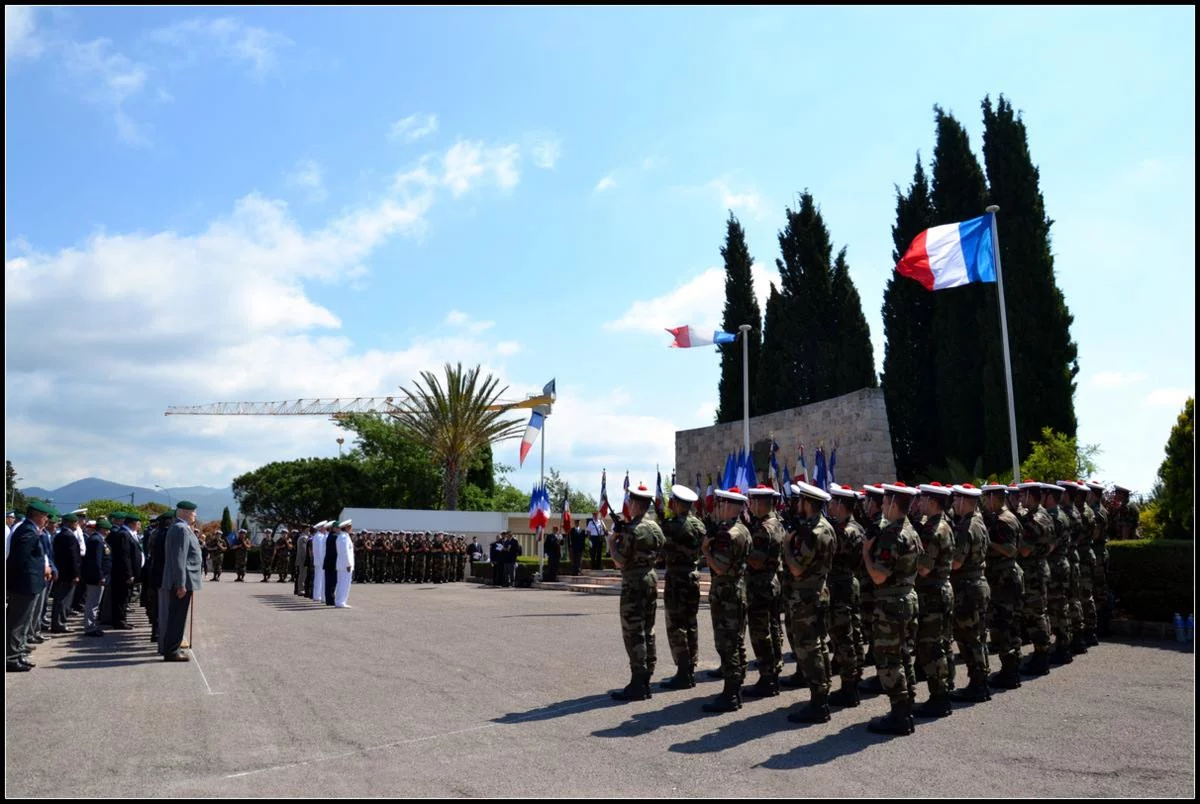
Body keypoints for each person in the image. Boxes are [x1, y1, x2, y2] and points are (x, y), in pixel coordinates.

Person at [863, 482, 923, 736]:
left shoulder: (893, 535)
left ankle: (899, 715)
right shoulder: (912, 531)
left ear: (893, 504)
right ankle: (905, 707)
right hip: (907, 598)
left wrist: (866, 553)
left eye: (886, 502)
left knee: (889, 659)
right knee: (904, 654)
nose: (883, 506)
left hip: (892, 603)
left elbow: (878, 576)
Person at [781, 481, 836, 724]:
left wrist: (786, 547)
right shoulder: (824, 527)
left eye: (800, 501)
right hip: (817, 592)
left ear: (807, 503)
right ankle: (822, 694)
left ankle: (819, 702)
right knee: (818, 646)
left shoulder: (815, 532)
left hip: (807, 596)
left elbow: (795, 568)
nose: (797, 505)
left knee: (809, 648)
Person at [609, 483, 665, 702]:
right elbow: (660, 554)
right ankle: (646, 678)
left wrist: (612, 542)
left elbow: (620, 561)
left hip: (633, 581)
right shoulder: (656, 528)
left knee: (634, 631)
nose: (628, 506)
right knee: (648, 628)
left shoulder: (632, 530)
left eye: (630, 502)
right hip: (650, 578)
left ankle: (637, 682)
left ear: (634, 504)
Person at [700, 486, 751, 713]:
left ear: (731, 506)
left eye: (721, 504)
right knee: (735, 642)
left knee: (727, 644)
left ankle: (731, 693)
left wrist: (706, 551)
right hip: (734, 592)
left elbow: (720, 568)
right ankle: (735, 687)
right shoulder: (742, 530)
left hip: (727, 594)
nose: (718, 508)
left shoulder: (730, 535)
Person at [912, 482, 956, 719]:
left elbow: (924, 568)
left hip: (932, 593)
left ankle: (939, 697)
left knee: (932, 646)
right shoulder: (944, 525)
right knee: (942, 642)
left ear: (931, 501)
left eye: (922, 499)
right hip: (941, 590)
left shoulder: (932, 530)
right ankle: (945, 690)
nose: (918, 503)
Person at [658, 484, 706, 691]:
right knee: (691, 623)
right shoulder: (699, 525)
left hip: (677, 578)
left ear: (676, 504)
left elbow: (661, 550)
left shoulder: (672, 526)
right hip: (693, 576)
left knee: (676, 625)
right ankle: (691, 667)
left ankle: (683, 671)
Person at [948, 483, 992, 703]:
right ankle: (981, 680)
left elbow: (956, 562)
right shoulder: (979, 522)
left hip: (967, 587)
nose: (954, 503)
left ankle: (978, 683)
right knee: (978, 635)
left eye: (956, 499)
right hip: (977, 583)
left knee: (969, 638)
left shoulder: (967, 526)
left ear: (965, 501)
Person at [743, 484, 786, 700]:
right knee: (773, 627)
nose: (750, 505)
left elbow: (757, 561)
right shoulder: (777, 523)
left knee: (761, 633)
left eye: (752, 501)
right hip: (773, 582)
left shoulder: (762, 529)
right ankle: (774, 672)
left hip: (760, 584)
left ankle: (767, 678)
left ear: (760, 503)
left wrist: (742, 552)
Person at [826, 484, 866, 708]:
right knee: (853, 634)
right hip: (851, 582)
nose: (830, 505)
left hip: (841, 586)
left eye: (833, 502)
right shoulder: (857, 527)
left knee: (843, 638)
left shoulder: (843, 531)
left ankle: (849, 687)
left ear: (841, 505)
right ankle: (854, 679)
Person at [6, 500, 54, 672]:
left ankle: (17, 653)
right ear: (38, 516)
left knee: (24, 621)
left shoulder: (33, 530)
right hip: (24, 584)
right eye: (45, 517)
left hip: (29, 583)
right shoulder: (27, 531)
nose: (46, 520)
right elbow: (19, 560)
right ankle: (11, 658)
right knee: (17, 622)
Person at [161, 501, 203, 662]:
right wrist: (181, 584)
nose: (195, 515)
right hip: (181, 582)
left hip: (182, 581)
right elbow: (180, 559)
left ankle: (173, 648)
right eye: (193, 512)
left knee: (177, 617)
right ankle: (172, 651)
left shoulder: (181, 528)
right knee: (177, 618)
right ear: (185, 513)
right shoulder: (181, 529)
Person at [50, 512, 83, 633]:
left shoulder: (62, 535)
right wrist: (75, 574)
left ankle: (58, 622)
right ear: (68, 523)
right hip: (67, 574)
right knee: (63, 600)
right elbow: (72, 557)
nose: (76, 525)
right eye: (75, 522)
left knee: (62, 599)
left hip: (63, 572)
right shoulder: (68, 536)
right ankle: (59, 623)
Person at [81, 517, 113, 637]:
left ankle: (92, 625)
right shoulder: (97, 540)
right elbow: (96, 561)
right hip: (96, 578)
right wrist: (100, 576)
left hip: (99, 577)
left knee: (95, 603)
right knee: (92, 603)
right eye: (107, 529)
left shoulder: (99, 539)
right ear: (102, 529)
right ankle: (90, 627)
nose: (108, 532)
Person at [333, 520, 355, 607]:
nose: (351, 528)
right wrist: (348, 564)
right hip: (345, 565)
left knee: (342, 583)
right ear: (346, 528)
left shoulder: (344, 536)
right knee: (344, 584)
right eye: (350, 527)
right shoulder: (343, 537)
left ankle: (340, 601)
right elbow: (345, 552)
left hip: (343, 564)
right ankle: (341, 602)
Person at [322, 521, 339, 605]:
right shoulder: (334, 537)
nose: (339, 529)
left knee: (329, 582)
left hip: (329, 562)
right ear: (334, 528)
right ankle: (331, 599)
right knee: (332, 582)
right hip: (332, 562)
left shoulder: (330, 535)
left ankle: (329, 599)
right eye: (338, 527)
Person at [294, 527, 311, 597]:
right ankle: (301, 590)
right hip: (303, 559)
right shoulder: (304, 538)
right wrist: (307, 559)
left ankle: (300, 589)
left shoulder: (302, 537)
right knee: (303, 575)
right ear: (305, 530)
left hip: (301, 559)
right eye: (308, 530)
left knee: (302, 574)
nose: (309, 532)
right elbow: (304, 550)